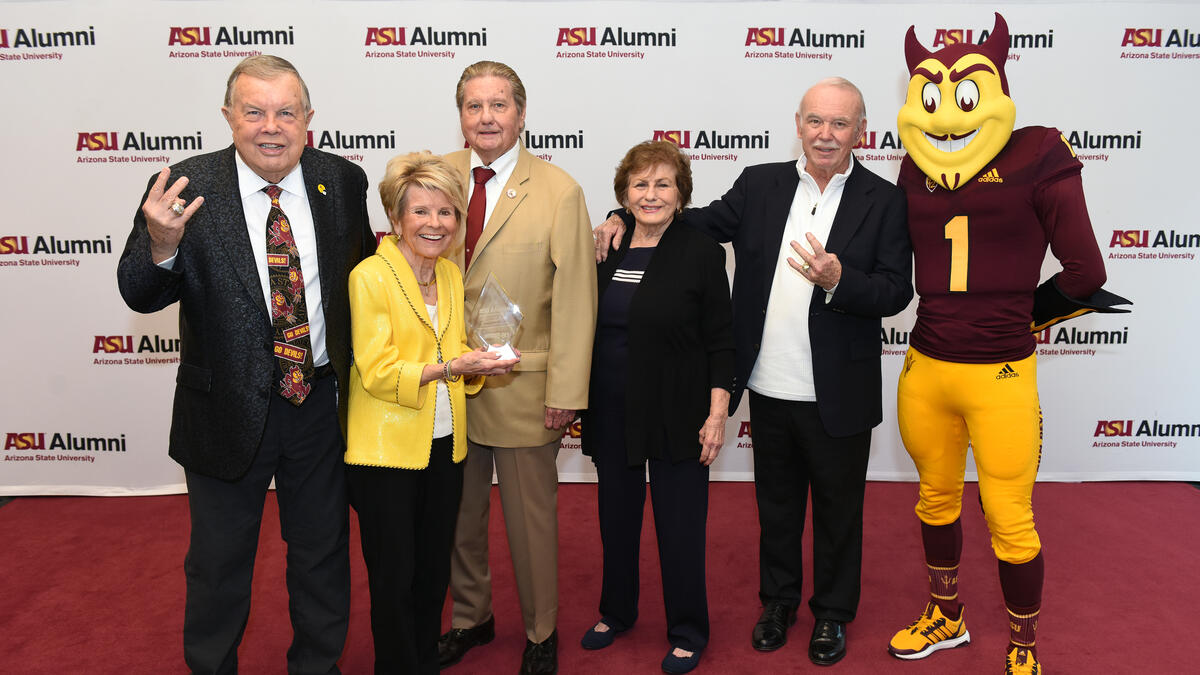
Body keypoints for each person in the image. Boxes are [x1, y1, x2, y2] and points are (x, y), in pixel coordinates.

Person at [596, 78, 913, 666]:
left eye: (840, 124)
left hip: (837, 389)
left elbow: (898, 291)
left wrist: (841, 280)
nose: (825, 134)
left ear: (861, 132)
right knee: (777, 509)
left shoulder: (885, 200)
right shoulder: (759, 183)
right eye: (815, 120)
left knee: (840, 513)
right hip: (766, 385)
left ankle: (833, 616)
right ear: (797, 123)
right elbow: (691, 220)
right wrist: (622, 210)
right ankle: (779, 603)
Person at [116, 55, 375, 674]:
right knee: (219, 561)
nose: (270, 126)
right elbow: (139, 292)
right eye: (254, 111)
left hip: (318, 402)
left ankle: (317, 665)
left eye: (286, 112)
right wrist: (162, 243)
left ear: (309, 120)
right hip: (224, 407)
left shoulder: (341, 180)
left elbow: (362, 279)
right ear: (229, 117)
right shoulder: (182, 186)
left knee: (321, 553)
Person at [886, 15, 1126, 675]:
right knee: (934, 498)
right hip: (926, 366)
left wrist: (1023, 315)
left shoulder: (1037, 151)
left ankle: (1024, 648)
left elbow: (1088, 273)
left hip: (999, 375)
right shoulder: (916, 163)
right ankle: (947, 615)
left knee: (1008, 516)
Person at [438, 61, 597, 675]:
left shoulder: (559, 191)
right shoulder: (435, 178)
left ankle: (541, 633)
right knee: (458, 515)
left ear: (522, 114)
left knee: (530, 525)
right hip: (447, 384)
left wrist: (567, 391)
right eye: (474, 106)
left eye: (499, 105)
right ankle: (470, 619)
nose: (486, 117)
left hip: (524, 388)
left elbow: (579, 303)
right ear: (461, 116)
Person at [344, 151, 518, 675]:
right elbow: (377, 371)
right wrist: (450, 367)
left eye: (446, 213)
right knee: (394, 582)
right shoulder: (370, 276)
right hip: (384, 454)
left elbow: (455, 356)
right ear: (397, 219)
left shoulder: (447, 273)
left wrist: (479, 363)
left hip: (445, 446)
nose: (435, 223)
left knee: (431, 577)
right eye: (421, 212)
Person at [579, 141, 733, 675]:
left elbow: (721, 340)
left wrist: (717, 415)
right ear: (624, 193)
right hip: (611, 407)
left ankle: (689, 628)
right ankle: (616, 610)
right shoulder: (607, 245)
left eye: (663, 184)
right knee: (615, 520)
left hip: (678, 411)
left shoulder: (700, 250)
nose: (651, 195)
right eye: (640, 185)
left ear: (682, 194)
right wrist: (612, 218)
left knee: (680, 526)